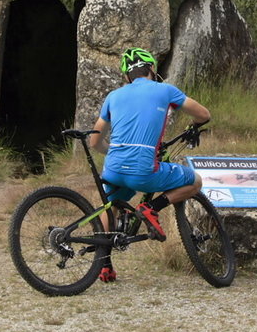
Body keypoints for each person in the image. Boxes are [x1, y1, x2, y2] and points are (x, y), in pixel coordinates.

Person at [89, 47, 211, 282]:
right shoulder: (164, 90)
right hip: (144, 169)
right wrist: (195, 124)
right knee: (195, 181)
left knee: (110, 205)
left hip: (113, 168)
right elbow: (203, 113)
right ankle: (152, 207)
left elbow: (94, 141)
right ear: (152, 69)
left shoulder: (113, 96)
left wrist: (113, 151)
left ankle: (103, 265)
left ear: (127, 76)